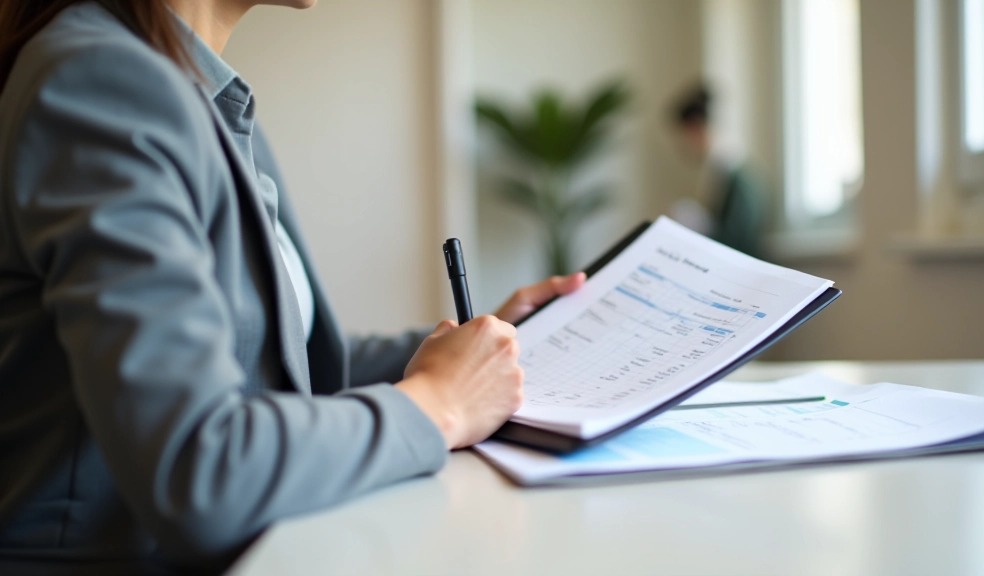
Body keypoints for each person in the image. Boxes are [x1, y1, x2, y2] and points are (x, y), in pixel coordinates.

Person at [0, 1, 586, 574]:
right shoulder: (101, 83)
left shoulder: (202, 93)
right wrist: (441, 404)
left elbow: (280, 365)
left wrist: (479, 352)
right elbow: (196, 470)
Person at [670, 84, 764, 258]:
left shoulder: (737, 179)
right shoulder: (719, 172)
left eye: (684, 137)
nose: (683, 146)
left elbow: (737, 242)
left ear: (696, 129)